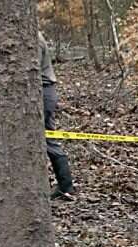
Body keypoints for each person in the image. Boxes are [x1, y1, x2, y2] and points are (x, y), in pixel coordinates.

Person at [39, 31, 75, 201]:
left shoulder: (33, 39)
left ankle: (66, 186)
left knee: (48, 139)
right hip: (42, 91)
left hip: (43, 91)